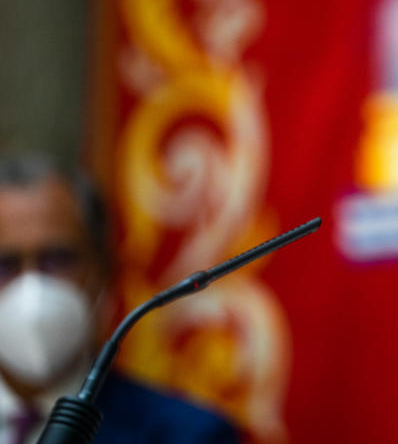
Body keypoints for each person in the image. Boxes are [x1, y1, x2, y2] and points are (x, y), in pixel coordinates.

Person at [0, 153, 238, 444]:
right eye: (5, 265)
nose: (32, 287)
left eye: (57, 259)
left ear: (103, 269)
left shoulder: (191, 436)